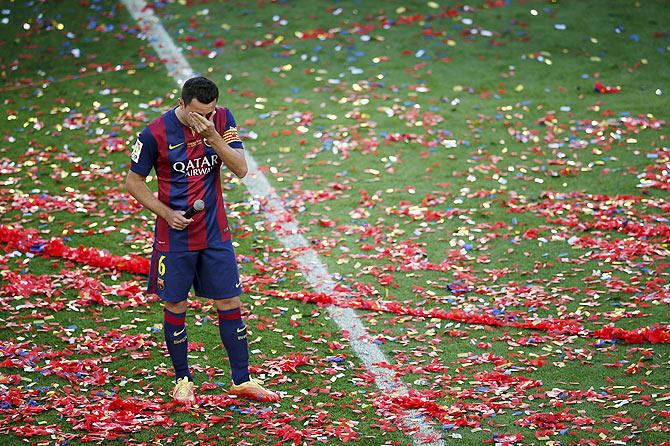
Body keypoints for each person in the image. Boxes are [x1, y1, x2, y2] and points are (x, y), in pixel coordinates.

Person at [125, 76, 279, 405]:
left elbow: (240, 168)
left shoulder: (221, 120)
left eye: (209, 113)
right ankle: (183, 380)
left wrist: (212, 136)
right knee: (175, 304)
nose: (204, 119)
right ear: (182, 105)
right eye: (198, 114)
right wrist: (166, 213)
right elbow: (134, 182)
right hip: (175, 235)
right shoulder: (154, 133)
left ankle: (242, 380)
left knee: (230, 301)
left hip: (214, 231)